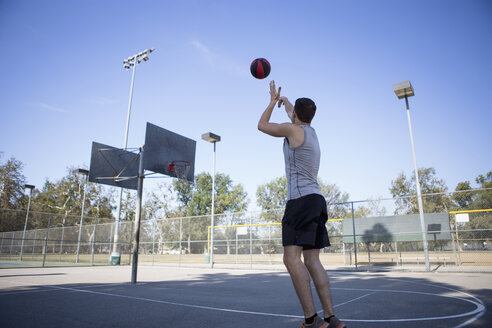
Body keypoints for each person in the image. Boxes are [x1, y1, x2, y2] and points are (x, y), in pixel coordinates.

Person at [258, 81, 346, 328]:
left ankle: (311, 319)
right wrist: (284, 101)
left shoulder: (292, 130)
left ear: (296, 115)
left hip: (300, 202)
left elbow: (262, 125)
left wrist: (271, 102)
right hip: (317, 201)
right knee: (312, 260)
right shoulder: (310, 131)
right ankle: (331, 318)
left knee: (290, 258)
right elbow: (293, 115)